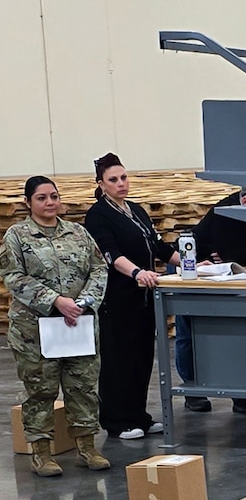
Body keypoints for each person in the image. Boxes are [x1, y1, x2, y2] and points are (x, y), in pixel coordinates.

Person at [1, 176, 111, 476]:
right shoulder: (18, 236)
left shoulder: (77, 232)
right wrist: (55, 301)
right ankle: (41, 453)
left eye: (53, 196)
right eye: (41, 198)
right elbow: (13, 277)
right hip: (35, 330)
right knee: (41, 390)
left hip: (78, 325)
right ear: (28, 202)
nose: (50, 203)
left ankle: (87, 447)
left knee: (82, 387)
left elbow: (99, 268)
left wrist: (85, 301)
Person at [83, 153, 178, 440]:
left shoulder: (136, 209)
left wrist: (191, 264)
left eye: (124, 177)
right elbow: (110, 253)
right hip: (118, 298)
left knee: (141, 357)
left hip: (144, 298)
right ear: (101, 184)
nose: (121, 183)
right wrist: (137, 273)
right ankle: (116, 419)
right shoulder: (98, 215)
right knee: (118, 359)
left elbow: (158, 246)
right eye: (113, 180)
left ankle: (139, 415)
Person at [179, 189, 246, 415]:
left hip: (237, 273)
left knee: (241, 332)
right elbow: (232, 254)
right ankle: (192, 388)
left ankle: (243, 395)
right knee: (189, 332)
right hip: (199, 269)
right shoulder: (224, 214)